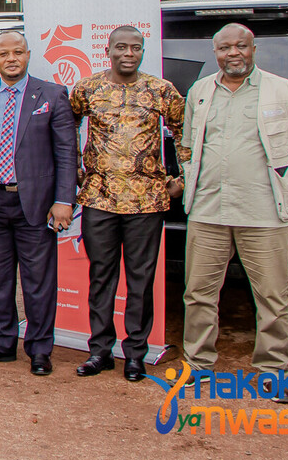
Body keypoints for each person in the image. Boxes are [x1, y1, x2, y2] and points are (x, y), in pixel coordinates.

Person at [180, 23, 288, 396]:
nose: (232, 53)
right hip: (207, 210)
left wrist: (274, 184)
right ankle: (198, 364)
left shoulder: (282, 91)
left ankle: (272, 369)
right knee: (198, 293)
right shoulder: (201, 90)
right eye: (224, 48)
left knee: (272, 295)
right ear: (215, 52)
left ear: (253, 49)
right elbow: (188, 146)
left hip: (264, 213)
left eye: (240, 46)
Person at [67, 26, 187, 382]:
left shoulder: (161, 90)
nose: (128, 53)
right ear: (109, 50)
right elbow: (66, 125)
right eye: (121, 47)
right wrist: (74, 164)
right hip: (99, 198)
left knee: (140, 280)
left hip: (146, 200)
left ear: (143, 51)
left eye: (136, 47)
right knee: (101, 277)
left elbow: (184, 133)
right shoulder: (88, 88)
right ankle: (100, 351)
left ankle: (135, 353)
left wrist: (183, 180)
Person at [0, 31, 77, 376]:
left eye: (17, 53)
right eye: (3, 54)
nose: (11, 59)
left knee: (38, 281)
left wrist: (63, 200)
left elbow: (67, 153)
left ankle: (39, 349)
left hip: (37, 204)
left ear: (28, 55)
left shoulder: (52, 95)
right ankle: (2, 342)